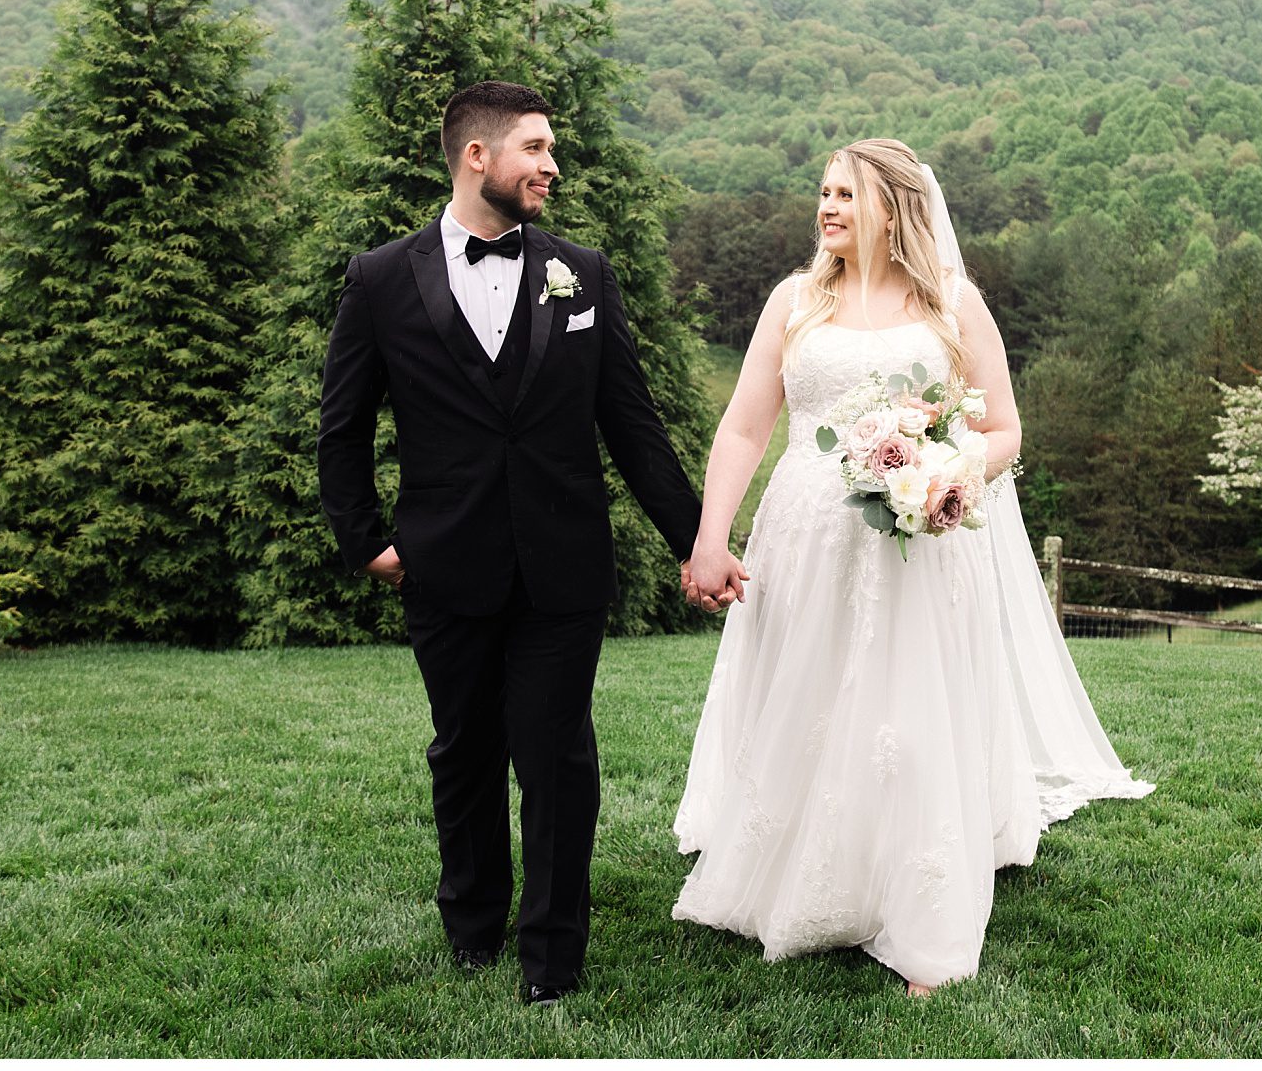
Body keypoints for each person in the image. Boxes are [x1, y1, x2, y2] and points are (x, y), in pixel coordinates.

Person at [672, 138, 1153, 996]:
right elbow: (745, 429)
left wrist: (946, 475)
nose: (826, 208)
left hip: (917, 541)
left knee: (908, 710)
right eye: (822, 193)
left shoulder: (952, 305)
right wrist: (712, 535)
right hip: (804, 537)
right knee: (805, 694)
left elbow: (1004, 428)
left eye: (845, 195)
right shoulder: (793, 302)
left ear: (892, 208)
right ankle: (800, 870)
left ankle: (919, 913)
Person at [317, 80, 735, 1005]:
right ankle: (471, 925)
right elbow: (341, 429)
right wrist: (367, 543)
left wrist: (699, 539)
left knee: (556, 756)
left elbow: (632, 425)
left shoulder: (581, 270)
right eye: (536, 149)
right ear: (478, 157)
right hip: (443, 561)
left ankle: (554, 957)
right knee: (461, 749)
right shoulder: (382, 278)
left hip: (562, 564)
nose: (552, 166)